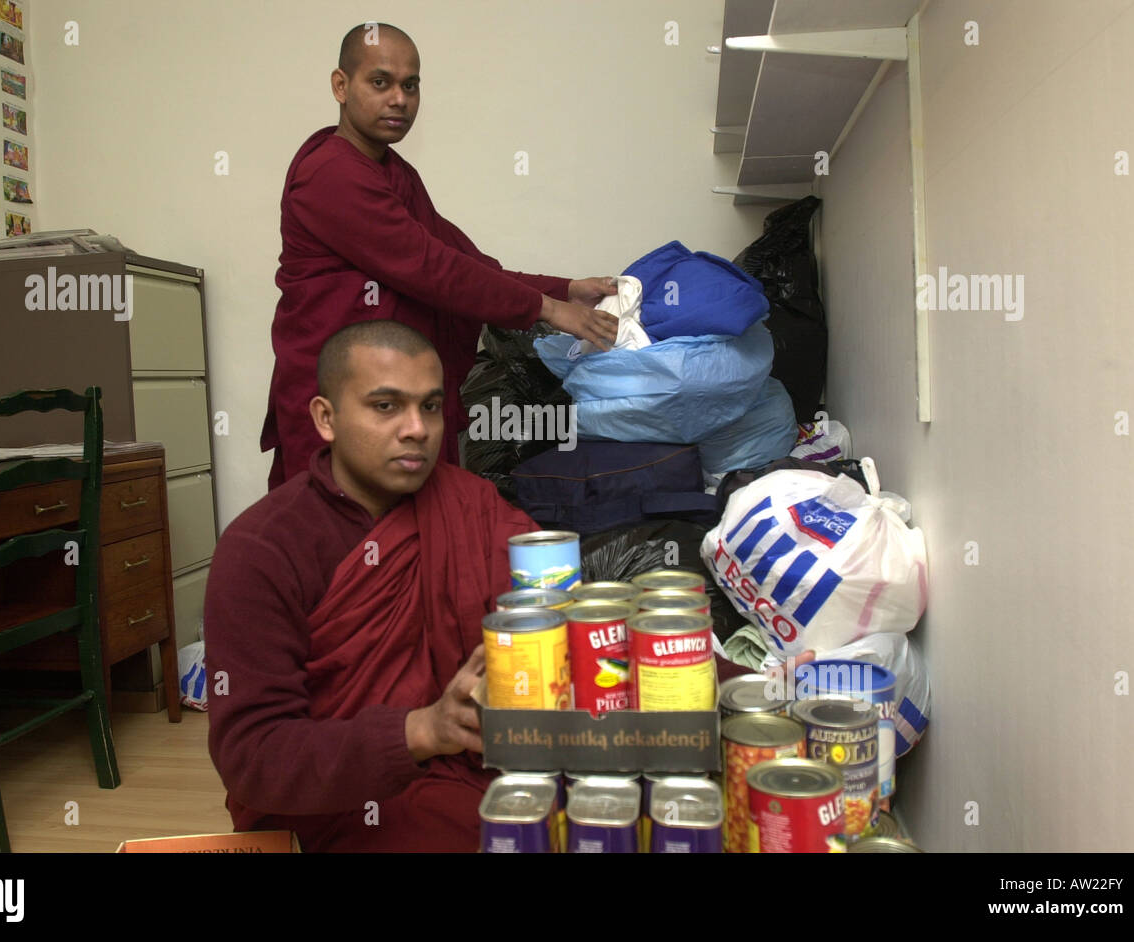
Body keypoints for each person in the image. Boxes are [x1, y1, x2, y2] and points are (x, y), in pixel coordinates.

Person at [207, 321, 750, 852]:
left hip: (496, 762)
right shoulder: (262, 547)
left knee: (664, 808)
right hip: (352, 800)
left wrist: (745, 686)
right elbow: (252, 754)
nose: (417, 428)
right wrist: (421, 731)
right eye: (386, 406)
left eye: (430, 406)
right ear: (326, 419)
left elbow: (583, 625)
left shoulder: (471, 504)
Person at [260, 21, 620, 492]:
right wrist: (551, 311)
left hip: (398, 400)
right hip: (346, 402)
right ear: (341, 86)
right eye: (381, 82)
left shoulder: (395, 173)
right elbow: (430, 267)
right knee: (344, 546)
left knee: (415, 544)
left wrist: (565, 289)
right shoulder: (331, 172)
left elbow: (464, 261)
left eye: (410, 86)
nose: (399, 99)